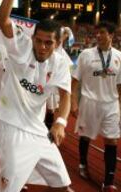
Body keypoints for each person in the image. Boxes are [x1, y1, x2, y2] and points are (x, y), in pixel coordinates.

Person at [0, 0, 72, 191]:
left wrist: (60, 122)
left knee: (63, 185)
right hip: (11, 127)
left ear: (57, 44)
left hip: (38, 131)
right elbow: (2, 19)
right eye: (39, 40)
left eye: (48, 43)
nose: (42, 46)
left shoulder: (58, 63)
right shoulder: (21, 47)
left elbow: (66, 95)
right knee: (9, 189)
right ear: (33, 38)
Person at [71, 21, 121, 192]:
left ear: (111, 36)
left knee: (112, 139)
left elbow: (120, 86)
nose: (98, 35)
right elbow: (75, 81)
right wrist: (73, 102)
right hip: (89, 102)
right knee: (86, 136)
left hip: (111, 104)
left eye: (102, 32)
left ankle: (108, 181)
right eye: (97, 33)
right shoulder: (85, 54)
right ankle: (83, 163)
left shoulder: (119, 57)